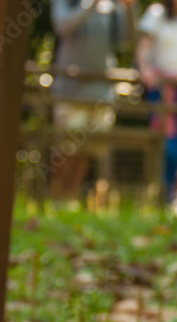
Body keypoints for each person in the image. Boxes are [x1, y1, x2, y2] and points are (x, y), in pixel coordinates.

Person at [49, 0, 138, 201]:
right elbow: (63, 27)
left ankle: (70, 199)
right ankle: (55, 198)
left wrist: (129, 8)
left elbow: (127, 40)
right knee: (66, 147)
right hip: (70, 89)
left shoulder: (112, 5)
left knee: (89, 149)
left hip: (100, 91)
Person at [135, 0, 177, 204]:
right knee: (165, 145)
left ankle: (170, 195)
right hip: (162, 88)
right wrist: (144, 69)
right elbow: (143, 48)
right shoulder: (157, 13)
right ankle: (158, 193)